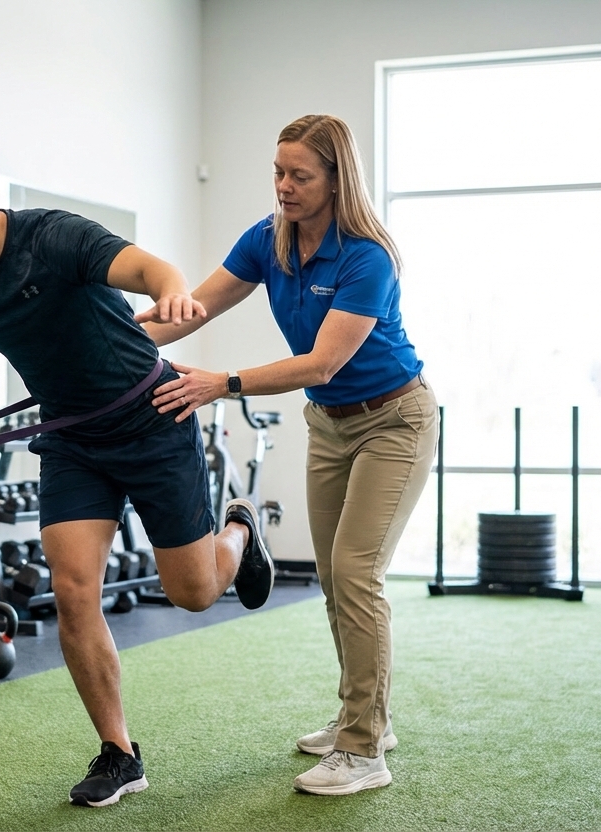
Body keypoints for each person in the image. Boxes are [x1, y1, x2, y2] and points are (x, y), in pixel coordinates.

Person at [0, 136, 275, 808]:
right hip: (72, 439)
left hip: (152, 419)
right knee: (72, 587)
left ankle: (239, 529)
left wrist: (174, 294)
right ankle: (120, 752)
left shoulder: (54, 239)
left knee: (196, 592)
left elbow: (151, 269)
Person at [139, 114, 438, 796]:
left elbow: (325, 362)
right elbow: (196, 308)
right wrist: (116, 334)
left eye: (300, 176)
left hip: (394, 420)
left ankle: (364, 752)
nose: (284, 186)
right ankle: (364, 716)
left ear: (337, 179)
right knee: (336, 579)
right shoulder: (267, 240)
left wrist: (223, 383)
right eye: (278, 172)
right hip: (330, 426)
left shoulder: (367, 256)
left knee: (355, 572)